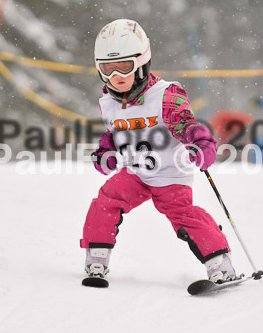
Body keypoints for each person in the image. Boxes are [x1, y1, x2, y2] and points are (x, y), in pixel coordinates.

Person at [81, 19, 236, 284]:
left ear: (142, 63)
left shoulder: (165, 94)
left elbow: (184, 122)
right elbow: (114, 133)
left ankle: (220, 263)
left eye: (124, 67)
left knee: (184, 216)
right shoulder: (109, 102)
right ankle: (97, 258)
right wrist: (106, 152)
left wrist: (199, 142)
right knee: (106, 200)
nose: (115, 77)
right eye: (107, 69)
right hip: (136, 174)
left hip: (170, 175)